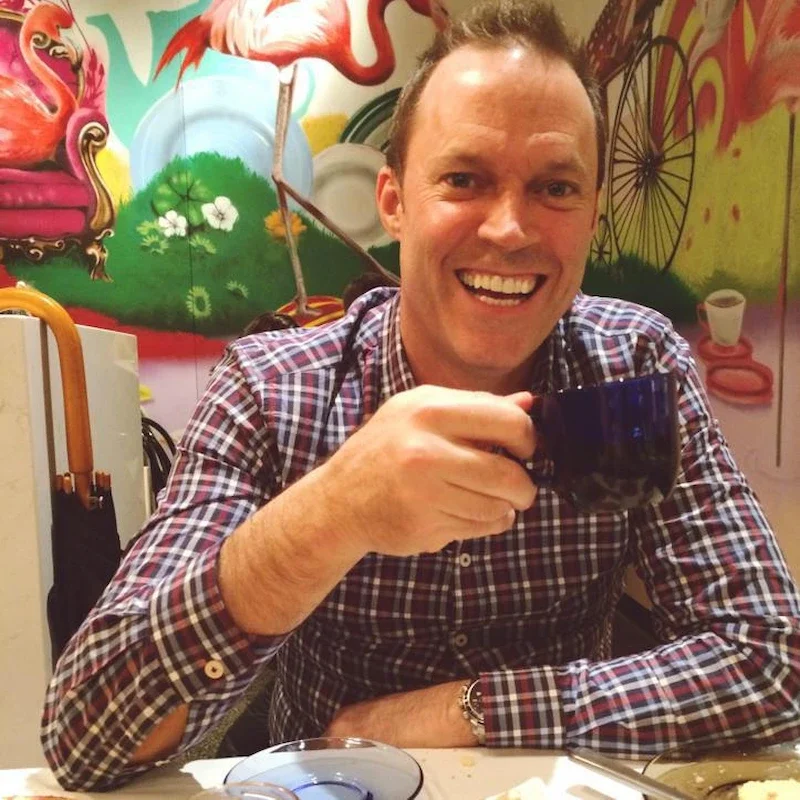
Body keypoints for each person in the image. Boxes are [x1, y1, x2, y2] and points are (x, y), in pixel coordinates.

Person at [43, 0, 800, 790]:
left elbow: (772, 663)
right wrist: (329, 515)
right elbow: (84, 739)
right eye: (464, 179)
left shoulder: (635, 368)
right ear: (394, 201)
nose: (511, 229)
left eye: (556, 187)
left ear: (593, 209)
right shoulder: (270, 389)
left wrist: (467, 709)